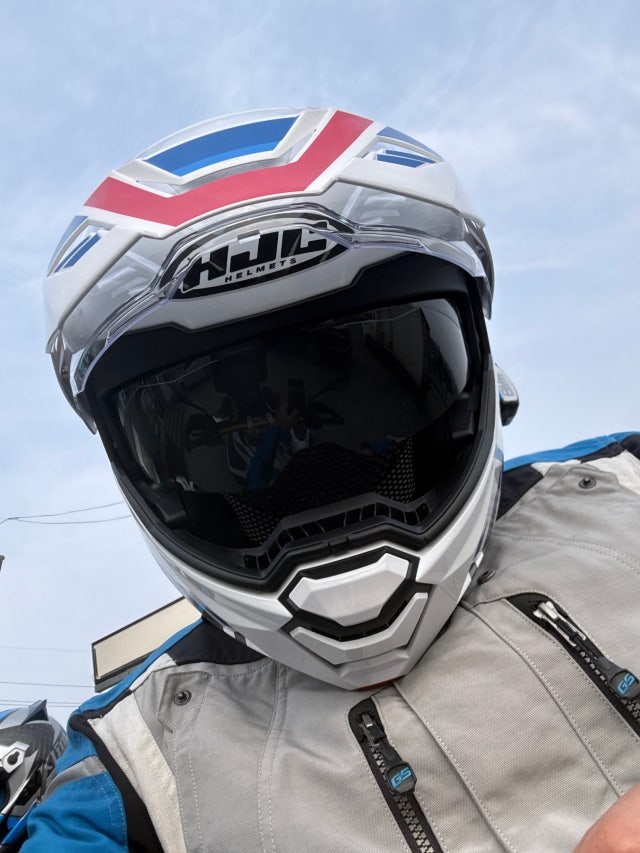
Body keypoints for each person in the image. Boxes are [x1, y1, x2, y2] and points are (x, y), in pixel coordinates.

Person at [23, 108, 640, 851]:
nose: (310, 465)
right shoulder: (132, 762)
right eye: (244, 430)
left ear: (478, 378)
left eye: (343, 405)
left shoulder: (625, 484)